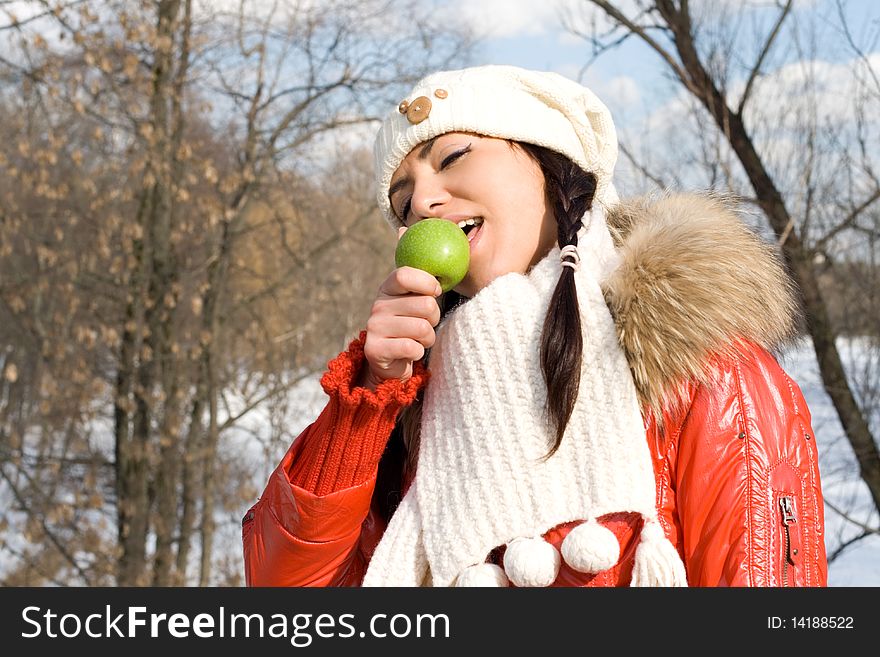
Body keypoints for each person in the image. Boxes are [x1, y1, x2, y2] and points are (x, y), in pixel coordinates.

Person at [241, 65, 827, 587]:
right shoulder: (416, 402)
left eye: (452, 158)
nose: (421, 202)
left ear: (554, 164)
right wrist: (367, 402)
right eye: (402, 202)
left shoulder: (704, 367)